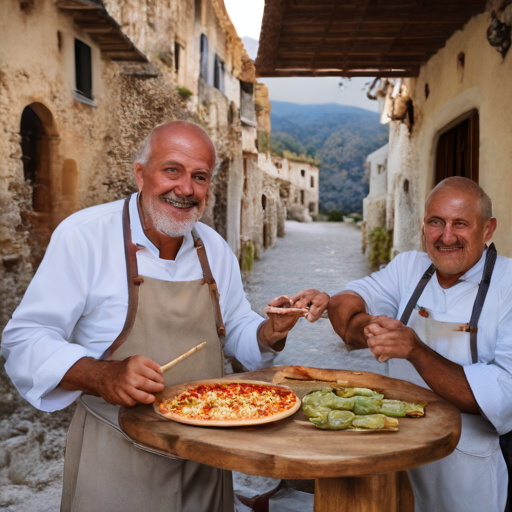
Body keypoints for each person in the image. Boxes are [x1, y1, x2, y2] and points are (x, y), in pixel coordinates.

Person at [1, 121, 319, 512]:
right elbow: (25, 339)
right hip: (117, 457)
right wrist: (102, 375)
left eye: (199, 177)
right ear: (140, 174)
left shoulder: (215, 249)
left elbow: (234, 332)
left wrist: (270, 331)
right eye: (172, 170)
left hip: (207, 454)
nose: (185, 189)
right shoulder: (83, 236)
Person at [290, 177, 511, 512]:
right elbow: (347, 306)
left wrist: (414, 349)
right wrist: (365, 322)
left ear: (488, 229)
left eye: (460, 224)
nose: (446, 236)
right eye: (436, 222)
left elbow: (502, 400)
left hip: (468, 470)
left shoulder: (508, 286)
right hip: (397, 451)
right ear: (423, 225)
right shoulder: (409, 267)